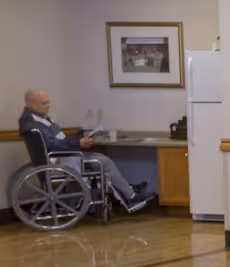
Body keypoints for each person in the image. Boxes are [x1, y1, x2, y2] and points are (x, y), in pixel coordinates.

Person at [18, 89, 154, 212]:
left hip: (63, 155)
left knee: (99, 158)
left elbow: (58, 140)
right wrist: (78, 142)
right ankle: (131, 196)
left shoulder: (39, 119)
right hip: (59, 159)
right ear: (31, 104)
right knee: (103, 161)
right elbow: (52, 145)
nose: (48, 105)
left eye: (48, 102)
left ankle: (128, 190)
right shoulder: (31, 124)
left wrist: (79, 136)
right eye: (43, 103)